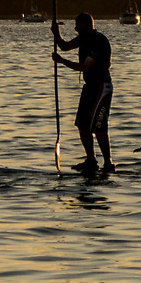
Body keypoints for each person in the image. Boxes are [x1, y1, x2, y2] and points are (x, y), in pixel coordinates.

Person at [53, 11, 114, 177]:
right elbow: (65, 47)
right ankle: (91, 160)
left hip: (101, 86)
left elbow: (84, 66)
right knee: (82, 124)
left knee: (99, 127)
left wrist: (62, 61)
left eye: (79, 28)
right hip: (89, 87)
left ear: (87, 27)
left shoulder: (98, 41)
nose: (76, 31)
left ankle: (108, 163)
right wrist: (56, 33)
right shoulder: (83, 38)